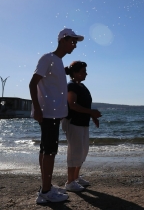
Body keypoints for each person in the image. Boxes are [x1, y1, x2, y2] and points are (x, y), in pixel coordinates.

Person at [29, 28, 84, 203]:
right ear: (62, 40)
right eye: (72, 42)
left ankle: (46, 186)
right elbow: (33, 83)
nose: (74, 45)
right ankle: (45, 191)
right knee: (50, 152)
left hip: (54, 114)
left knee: (45, 150)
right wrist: (37, 109)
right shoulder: (48, 59)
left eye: (76, 42)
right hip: (47, 113)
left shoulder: (59, 62)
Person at [61, 61, 102, 192]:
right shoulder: (71, 86)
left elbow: (85, 105)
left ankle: (76, 177)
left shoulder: (82, 86)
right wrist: (91, 113)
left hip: (82, 122)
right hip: (73, 122)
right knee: (75, 151)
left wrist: (92, 116)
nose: (86, 73)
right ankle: (70, 182)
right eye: (83, 71)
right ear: (75, 73)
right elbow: (72, 105)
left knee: (83, 151)